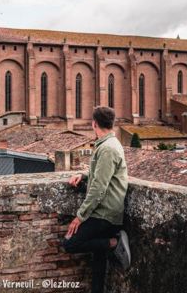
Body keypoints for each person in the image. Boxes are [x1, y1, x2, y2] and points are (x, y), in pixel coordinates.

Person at [62, 106, 131, 293]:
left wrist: (80, 216)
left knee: (69, 243)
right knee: (98, 260)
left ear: (94, 124)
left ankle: (114, 243)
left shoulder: (108, 148)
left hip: (105, 215)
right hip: (106, 212)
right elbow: (100, 173)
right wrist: (82, 175)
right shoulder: (108, 144)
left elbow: (99, 188)